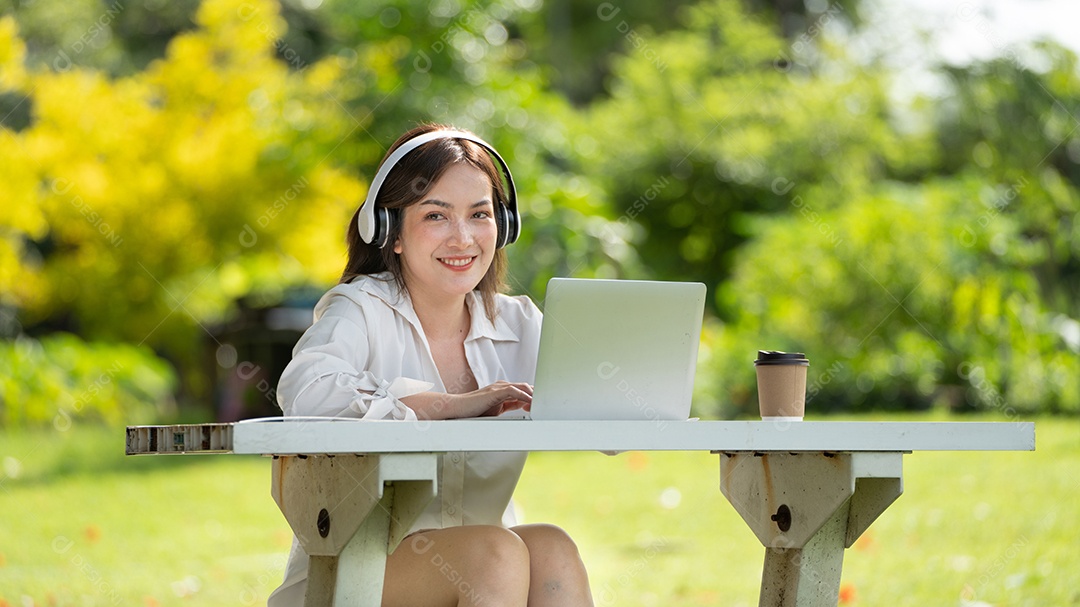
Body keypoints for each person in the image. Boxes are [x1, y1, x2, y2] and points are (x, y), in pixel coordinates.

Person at [267, 124, 594, 606]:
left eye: (479, 214)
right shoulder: (361, 309)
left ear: (502, 227)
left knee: (553, 548)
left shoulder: (520, 323)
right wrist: (446, 405)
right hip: (355, 576)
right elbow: (306, 392)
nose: (463, 237)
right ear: (390, 232)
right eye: (436, 215)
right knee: (495, 551)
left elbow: (602, 414)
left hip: (490, 569)